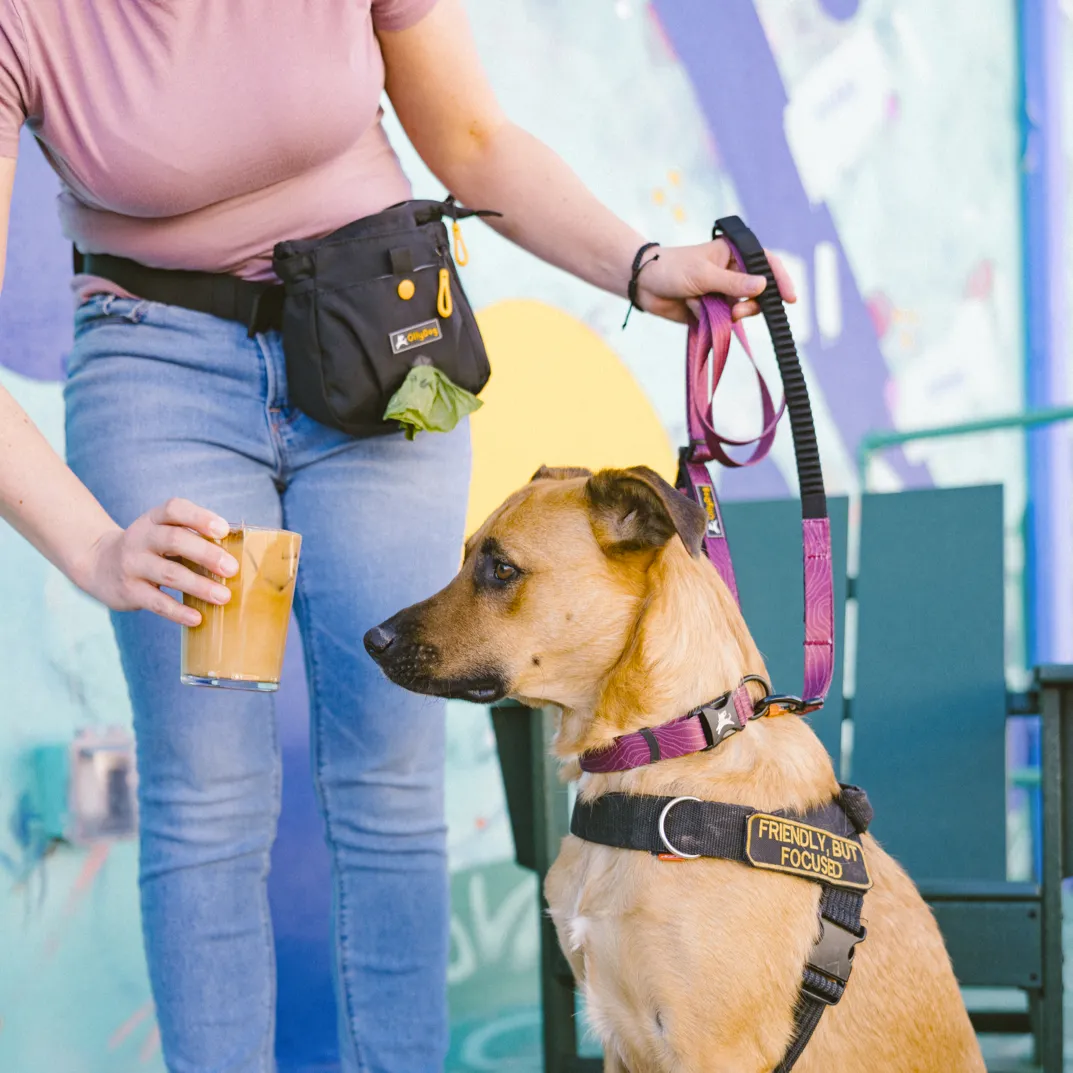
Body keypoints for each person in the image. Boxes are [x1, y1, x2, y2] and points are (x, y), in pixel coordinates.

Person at [0, 2, 794, 1071]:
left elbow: (468, 138)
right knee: (207, 786)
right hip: (158, 366)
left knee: (388, 768)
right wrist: (95, 548)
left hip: (383, 345)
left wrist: (638, 262)